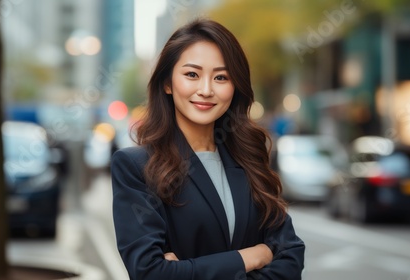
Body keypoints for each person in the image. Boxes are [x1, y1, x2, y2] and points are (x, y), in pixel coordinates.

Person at [111, 18, 305, 280]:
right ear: (167, 83)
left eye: (221, 77)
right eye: (192, 74)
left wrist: (186, 270)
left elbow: (291, 257)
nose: (206, 90)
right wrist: (250, 257)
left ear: (235, 87)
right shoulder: (136, 166)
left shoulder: (250, 158)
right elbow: (151, 273)